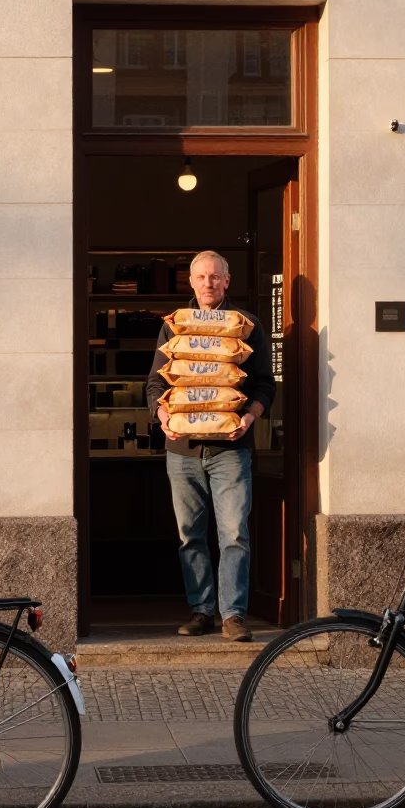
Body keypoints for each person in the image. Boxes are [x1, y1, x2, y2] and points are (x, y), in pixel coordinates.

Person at [147, 251, 276, 642]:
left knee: (234, 533)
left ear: (227, 281)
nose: (208, 283)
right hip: (182, 452)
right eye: (201, 276)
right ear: (191, 281)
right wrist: (163, 415)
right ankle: (201, 610)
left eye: (215, 277)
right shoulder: (175, 327)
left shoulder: (246, 325)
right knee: (191, 536)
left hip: (231, 451)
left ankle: (233, 614)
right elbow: (155, 384)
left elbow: (264, 384)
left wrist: (249, 417)